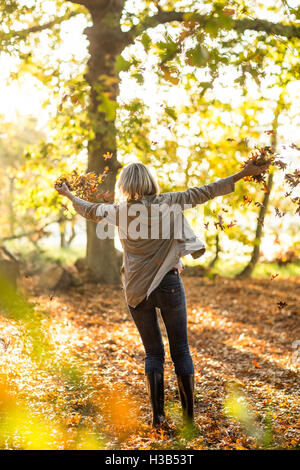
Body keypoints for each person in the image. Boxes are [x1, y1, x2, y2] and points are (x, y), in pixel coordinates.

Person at [55, 159, 270, 428]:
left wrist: (68, 194)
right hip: (168, 283)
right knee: (180, 350)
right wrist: (244, 173)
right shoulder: (168, 202)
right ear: (149, 182)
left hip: (136, 291)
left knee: (153, 353)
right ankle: (189, 421)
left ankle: (158, 418)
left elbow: (89, 210)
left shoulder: (120, 212)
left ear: (124, 185)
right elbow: (207, 191)